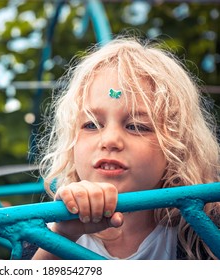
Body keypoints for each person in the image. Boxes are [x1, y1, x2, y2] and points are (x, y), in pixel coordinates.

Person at [31, 37, 220, 260]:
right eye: (91, 124)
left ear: (177, 146)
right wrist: (61, 237)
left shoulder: (204, 233)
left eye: (136, 126)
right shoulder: (44, 231)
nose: (109, 140)